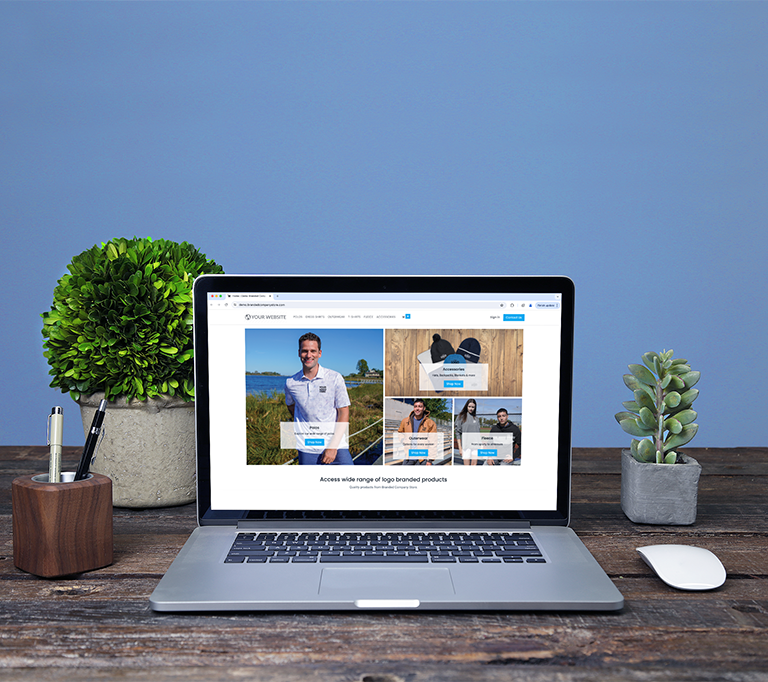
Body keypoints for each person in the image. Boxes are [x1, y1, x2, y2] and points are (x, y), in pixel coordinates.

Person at [284, 332, 353, 465]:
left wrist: (332, 447)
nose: (309, 355)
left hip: (337, 445)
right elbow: (291, 406)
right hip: (307, 447)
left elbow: (343, 412)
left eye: (313, 351)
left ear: (319, 353)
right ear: (299, 353)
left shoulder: (334, 378)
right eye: (305, 351)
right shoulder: (290, 383)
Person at [396, 398, 437, 465]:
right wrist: (403, 440)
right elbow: (400, 432)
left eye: (420, 406)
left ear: (424, 408)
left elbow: (433, 442)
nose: (417, 408)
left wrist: (430, 460)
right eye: (415, 406)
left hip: (422, 458)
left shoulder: (430, 423)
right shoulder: (405, 421)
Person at [455, 399, 482, 465]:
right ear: (466, 406)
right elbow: (458, 432)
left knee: (474, 465)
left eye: (473, 407)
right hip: (466, 446)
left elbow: (478, 433)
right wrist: (460, 448)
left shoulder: (476, 418)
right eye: (469, 406)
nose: (471, 408)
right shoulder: (461, 417)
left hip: (475, 445)